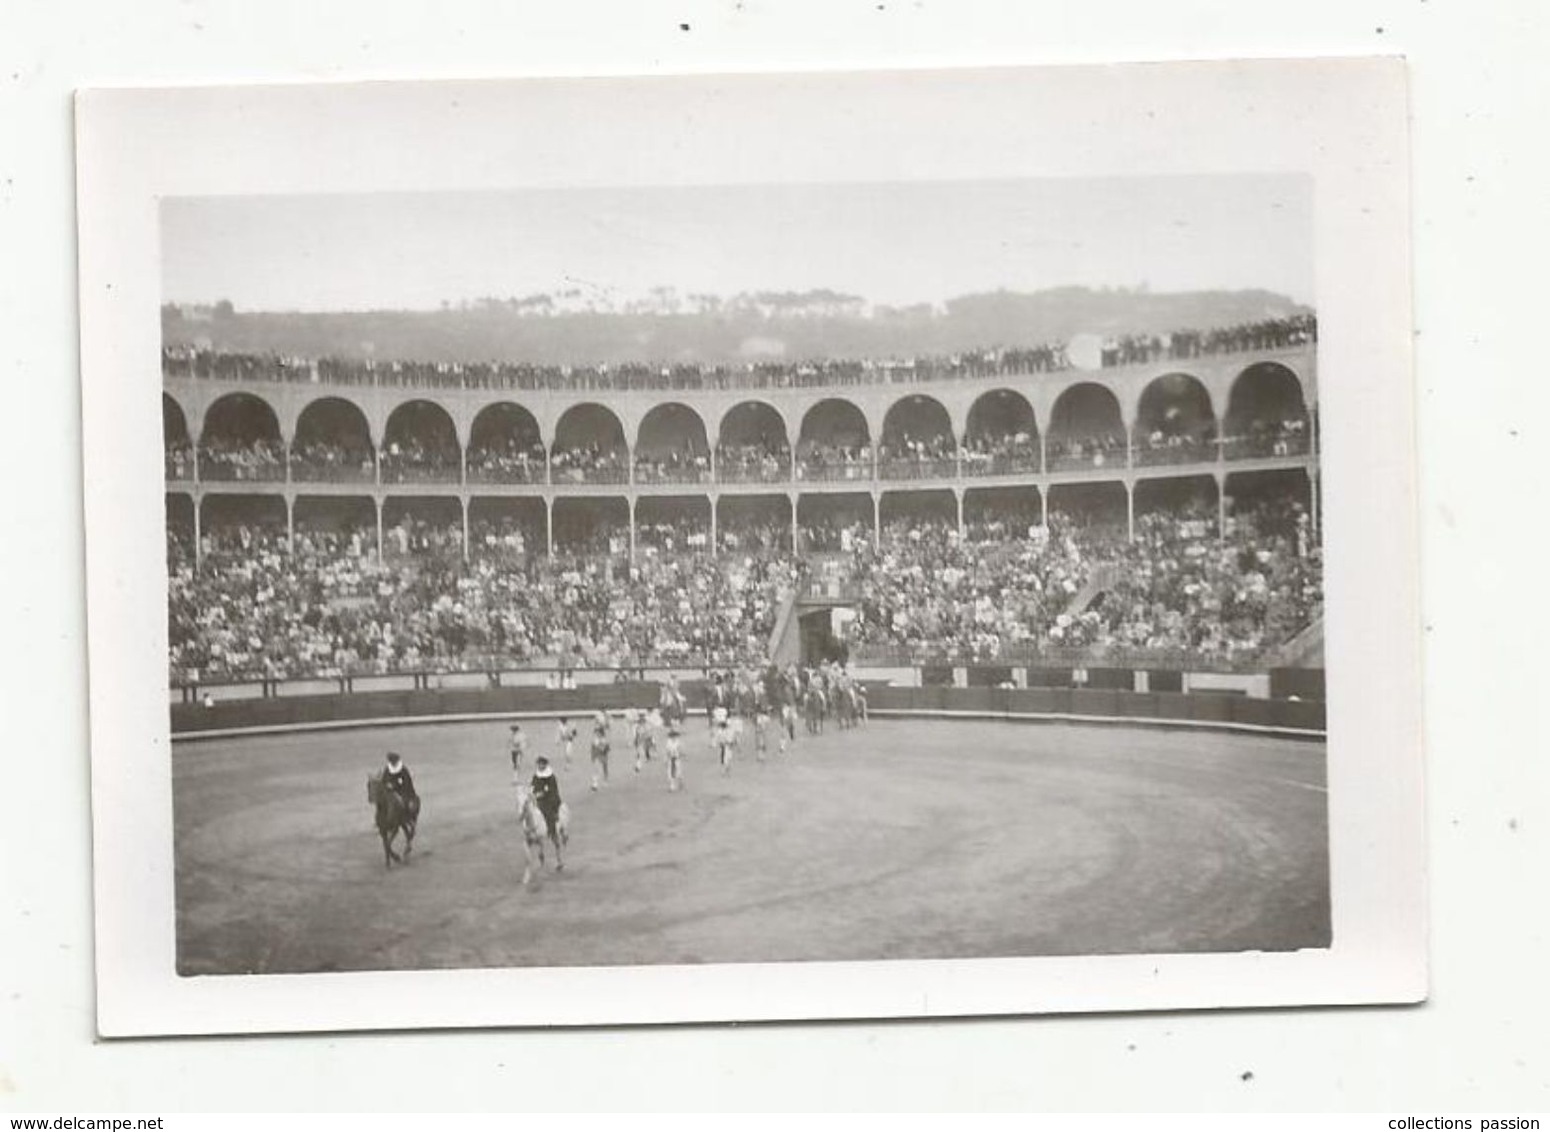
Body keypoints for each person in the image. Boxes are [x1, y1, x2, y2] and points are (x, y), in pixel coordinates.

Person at [529, 755, 564, 871]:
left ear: (545, 765)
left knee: (548, 813)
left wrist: (542, 793)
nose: (540, 766)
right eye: (538, 764)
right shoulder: (536, 775)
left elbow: (552, 790)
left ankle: (552, 831)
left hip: (550, 800)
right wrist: (532, 793)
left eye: (542, 764)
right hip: (538, 800)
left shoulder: (551, 776)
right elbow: (533, 786)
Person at [382, 750, 420, 820]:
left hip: (403, 790)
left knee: (404, 802)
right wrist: (387, 784)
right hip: (390, 791)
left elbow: (406, 782)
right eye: (391, 761)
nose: (393, 763)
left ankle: (406, 816)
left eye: (394, 761)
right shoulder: (388, 769)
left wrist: (394, 785)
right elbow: (384, 779)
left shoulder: (403, 770)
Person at [589, 710, 611, 791]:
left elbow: (607, 748)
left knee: (605, 767)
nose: (596, 734)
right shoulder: (594, 739)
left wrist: (604, 750)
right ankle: (595, 784)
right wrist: (593, 756)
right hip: (596, 756)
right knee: (596, 769)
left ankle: (605, 779)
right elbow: (592, 748)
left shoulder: (604, 740)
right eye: (596, 732)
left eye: (598, 732)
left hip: (603, 755)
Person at [665, 719, 684, 792]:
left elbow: (680, 750)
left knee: (678, 773)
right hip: (671, 759)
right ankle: (672, 786)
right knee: (670, 773)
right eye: (672, 736)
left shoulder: (678, 742)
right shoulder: (668, 742)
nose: (673, 737)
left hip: (676, 758)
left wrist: (680, 754)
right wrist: (666, 759)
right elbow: (667, 751)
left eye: (674, 736)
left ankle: (680, 782)